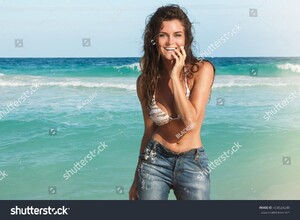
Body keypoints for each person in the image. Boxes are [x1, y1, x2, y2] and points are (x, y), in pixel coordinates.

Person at [129, 4, 215, 200]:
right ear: (153, 40)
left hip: (192, 162)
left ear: (186, 39)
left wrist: (175, 77)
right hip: (154, 161)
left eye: (177, 35)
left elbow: (190, 122)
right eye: (162, 35)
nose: (170, 41)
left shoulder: (202, 71)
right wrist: (136, 178)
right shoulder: (145, 81)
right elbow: (149, 130)